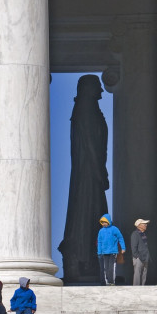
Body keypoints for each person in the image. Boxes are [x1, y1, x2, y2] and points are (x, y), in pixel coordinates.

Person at [59, 75, 111, 284]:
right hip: (88, 173)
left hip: (92, 170)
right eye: (97, 86)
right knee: (88, 212)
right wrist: (100, 172)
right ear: (88, 89)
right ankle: (84, 258)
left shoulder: (88, 110)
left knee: (92, 212)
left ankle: (89, 259)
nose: (101, 90)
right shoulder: (86, 111)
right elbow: (90, 144)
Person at [97, 213, 125, 286]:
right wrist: (99, 252)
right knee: (105, 267)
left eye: (105, 222)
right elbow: (99, 242)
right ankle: (107, 282)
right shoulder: (101, 231)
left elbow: (120, 238)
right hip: (104, 252)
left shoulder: (114, 229)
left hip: (113, 252)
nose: (103, 224)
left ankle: (111, 282)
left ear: (108, 221)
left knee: (111, 267)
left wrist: (123, 248)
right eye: (102, 222)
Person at [131, 218, 150, 286]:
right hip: (138, 258)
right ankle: (136, 289)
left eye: (146, 224)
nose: (146, 225)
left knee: (144, 274)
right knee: (137, 275)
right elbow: (134, 247)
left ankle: (142, 288)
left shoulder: (144, 235)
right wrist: (137, 256)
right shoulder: (135, 234)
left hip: (145, 257)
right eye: (144, 224)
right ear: (139, 225)